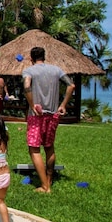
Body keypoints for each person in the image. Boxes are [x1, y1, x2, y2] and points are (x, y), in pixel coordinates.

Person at [22, 46, 75, 193]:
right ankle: (49, 179)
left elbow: (27, 86)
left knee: (34, 149)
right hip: (53, 114)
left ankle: (45, 185)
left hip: (36, 116)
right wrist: (63, 105)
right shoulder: (56, 70)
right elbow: (71, 85)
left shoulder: (29, 71)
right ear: (44, 57)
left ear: (31, 58)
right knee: (49, 147)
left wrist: (32, 105)